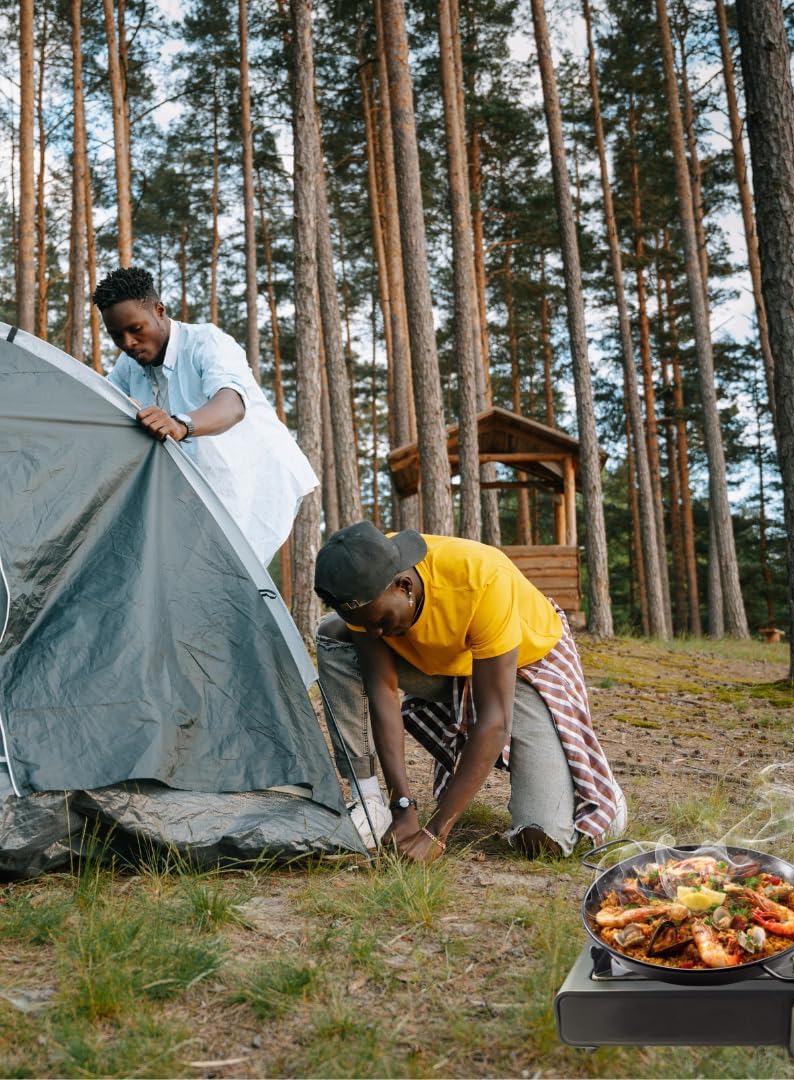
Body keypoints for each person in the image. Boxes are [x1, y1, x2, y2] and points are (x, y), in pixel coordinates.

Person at [314, 522, 626, 862]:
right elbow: (383, 693)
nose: (374, 633)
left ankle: (596, 788)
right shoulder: (361, 578)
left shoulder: (482, 578)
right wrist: (402, 807)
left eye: (382, 622)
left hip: (523, 667)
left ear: (404, 585)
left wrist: (435, 832)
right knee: (334, 634)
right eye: (366, 624)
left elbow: (494, 720)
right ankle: (369, 800)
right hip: (449, 666)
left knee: (543, 841)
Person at [95, 266, 317, 566]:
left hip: (255, 487)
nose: (128, 343)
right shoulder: (128, 364)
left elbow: (232, 404)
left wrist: (180, 425)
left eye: (135, 329)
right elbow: (104, 404)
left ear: (159, 311)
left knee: (235, 588)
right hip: (197, 498)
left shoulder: (207, 342)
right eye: (116, 335)